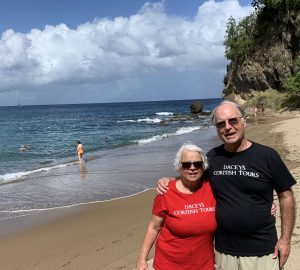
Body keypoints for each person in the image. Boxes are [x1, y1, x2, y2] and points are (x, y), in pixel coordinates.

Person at [157, 100, 296, 270]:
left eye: (233, 121)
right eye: (221, 124)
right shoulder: (213, 157)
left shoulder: (267, 156)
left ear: (244, 121)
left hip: (262, 250)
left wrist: (285, 240)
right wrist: (172, 179)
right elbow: (194, 178)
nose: (227, 127)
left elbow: (286, 195)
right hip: (224, 252)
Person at [136, 143, 217, 270]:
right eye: (186, 164)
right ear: (179, 167)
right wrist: (141, 260)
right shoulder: (165, 192)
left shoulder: (212, 187)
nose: (192, 168)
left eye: (197, 164)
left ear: (203, 166)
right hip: (169, 264)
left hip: (204, 264)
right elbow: (154, 227)